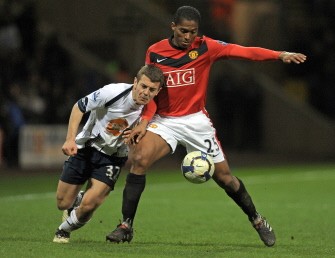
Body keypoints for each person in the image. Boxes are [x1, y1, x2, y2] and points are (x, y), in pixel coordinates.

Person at [105, 6, 307, 247]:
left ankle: (257, 220)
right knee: (139, 159)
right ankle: (126, 225)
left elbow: (242, 51)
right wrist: (144, 122)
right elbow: (151, 92)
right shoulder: (155, 52)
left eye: (192, 31)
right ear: (173, 27)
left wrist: (279, 54)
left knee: (225, 178)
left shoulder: (205, 47)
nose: (188, 36)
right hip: (165, 121)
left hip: (196, 121)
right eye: (183, 31)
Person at [52, 64, 164, 243]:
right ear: (135, 82)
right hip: (86, 148)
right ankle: (78, 198)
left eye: (152, 90)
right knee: (63, 203)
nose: (146, 92)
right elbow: (79, 107)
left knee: (90, 204)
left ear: (157, 91)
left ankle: (63, 230)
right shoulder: (112, 92)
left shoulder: (150, 110)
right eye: (143, 86)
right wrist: (70, 139)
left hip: (113, 158)